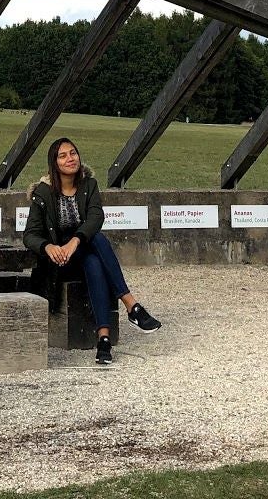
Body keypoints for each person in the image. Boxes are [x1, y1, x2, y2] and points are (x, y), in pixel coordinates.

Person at [22, 136, 162, 365]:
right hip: (58, 262)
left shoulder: (89, 185)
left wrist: (75, 241)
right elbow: (29, 235)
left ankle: (103, 340)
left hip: (82, 252)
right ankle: (131, 306)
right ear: (54, 163)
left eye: (73, 153)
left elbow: (96, 217)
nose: (70, 159)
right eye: (63, 155)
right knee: (95, 241)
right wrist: (49, 247)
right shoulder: (43, 193)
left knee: (94, 257)